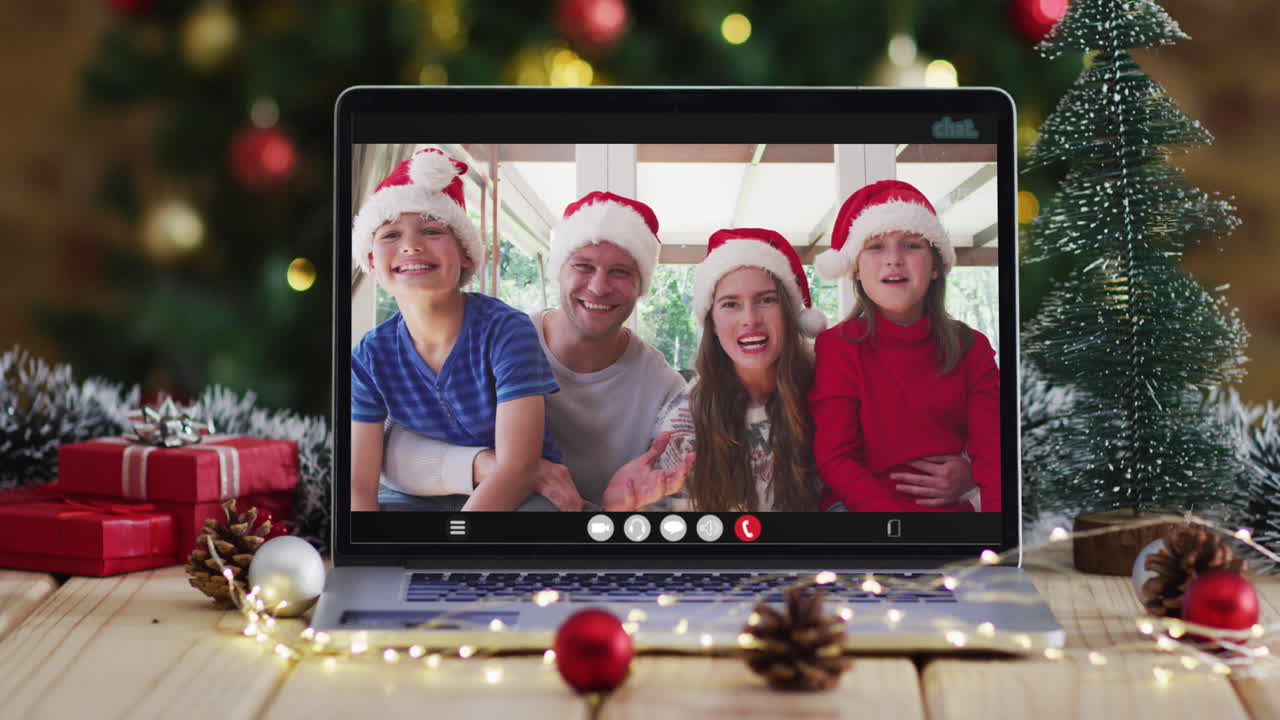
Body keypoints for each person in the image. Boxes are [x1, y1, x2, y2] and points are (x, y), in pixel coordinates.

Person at [379, 190, 689, 511]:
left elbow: (663, 520)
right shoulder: (495, 339)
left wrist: (614, 511)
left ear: (642, 285)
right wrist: (492, 466)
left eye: (621, 271)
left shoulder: (667, 393)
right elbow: (385, 447)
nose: (598, 287)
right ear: (559, 271)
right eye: (583, 266)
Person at [349, 148, 561, 512]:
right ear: (370, 259)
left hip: (516, 492)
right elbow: (359, 484)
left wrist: (456, 546)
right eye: (390, 234)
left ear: (466, 253)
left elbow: (518, 468)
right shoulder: (369, 355)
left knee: (542, 518)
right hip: (419, 493)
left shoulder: (506, 331)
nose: (411, 245)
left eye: (432, 230)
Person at [603, 228, 829, 512]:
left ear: (790, 313)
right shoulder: (685, 419)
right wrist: (619, 511)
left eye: (766, 300)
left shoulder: (831, 395)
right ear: (712, 324)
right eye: (730, 304)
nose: (750, 319)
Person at [808, 179, 997, 513]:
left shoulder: (972, 348)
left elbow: (993, 455)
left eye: (911, 245)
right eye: (876, 246)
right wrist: (899, 525)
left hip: (948, 517)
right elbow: (836, 459)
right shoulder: (837, 347)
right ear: (854, 268)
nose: (893, 259)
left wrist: (997, 537)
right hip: (860, 513)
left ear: (936, 265)